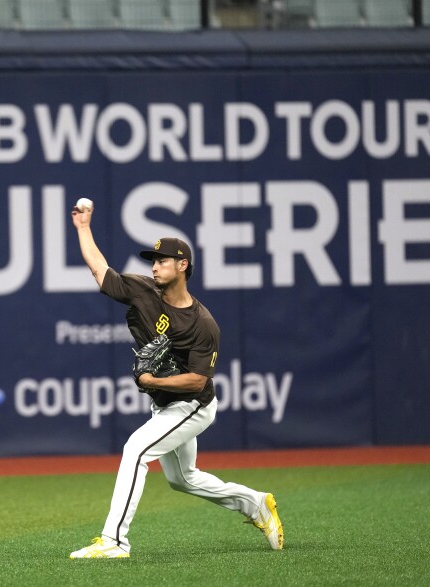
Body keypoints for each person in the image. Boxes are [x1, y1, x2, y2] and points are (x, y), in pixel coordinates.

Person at [69, 200, 284, 559]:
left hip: (193, 405)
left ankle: (114, 542)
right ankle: (256, 503)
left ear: (182, 265)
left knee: (135, 450)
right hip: (165, 402)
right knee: (182, 478)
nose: (154, 266)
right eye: (152, 261)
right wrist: (82, 228)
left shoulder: (203, 324)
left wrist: (154, 381)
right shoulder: (142, 292)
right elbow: (100, 271)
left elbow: (198, 381)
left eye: (162, 261)